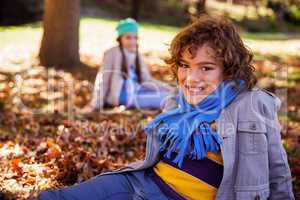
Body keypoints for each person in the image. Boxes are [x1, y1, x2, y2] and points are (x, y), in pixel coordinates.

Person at [39, 14, 295, 200]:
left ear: (228, 70)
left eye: (205, 68)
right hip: (138, 182)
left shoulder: (251, 104)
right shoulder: (177, 101)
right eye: (184, 66)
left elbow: (278, 174)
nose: (191, 78)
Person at [90, 18, 174, 111]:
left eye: (135, 38)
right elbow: (103, 78)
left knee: (171, 94)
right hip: (124, 96)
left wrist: (167, 88)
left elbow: (147, 80)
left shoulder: (137, 55)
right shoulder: (112, 53)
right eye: (128, 37)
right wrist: (97, 104)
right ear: (120, 38)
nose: (132, 41)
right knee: (166, 98)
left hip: (138, 90)